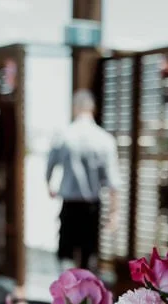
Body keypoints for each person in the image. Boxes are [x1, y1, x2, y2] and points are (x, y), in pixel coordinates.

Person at [46, 90, 120, 270]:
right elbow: (113, 182)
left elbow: (49, 167)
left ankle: (65, 295)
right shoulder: (105, 139)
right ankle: (87, 295)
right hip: (92, 206)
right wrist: (114, 212)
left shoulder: (64, 135)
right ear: (93, 109)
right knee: (89, 256)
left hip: (70, 204)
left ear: (75, 108)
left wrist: (49, 186)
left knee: (66, 255)